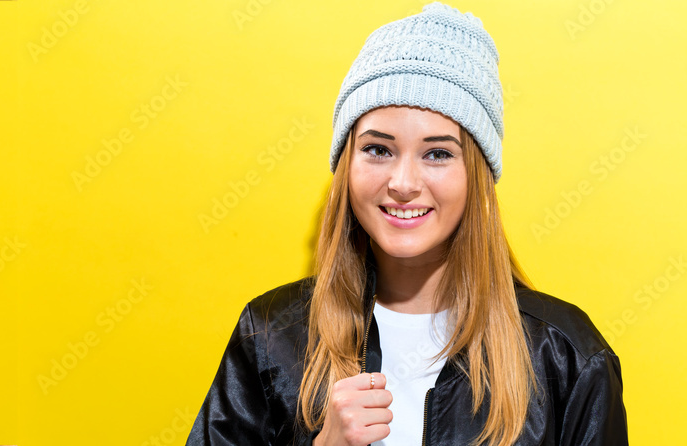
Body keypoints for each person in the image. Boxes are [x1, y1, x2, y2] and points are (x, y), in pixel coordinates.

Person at [186, 3, 627, 446]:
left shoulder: (568, 355)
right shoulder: (270, 336)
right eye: (379, 149)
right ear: (347, 164)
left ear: (477, 175)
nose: (403, 183)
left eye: (438, 153)